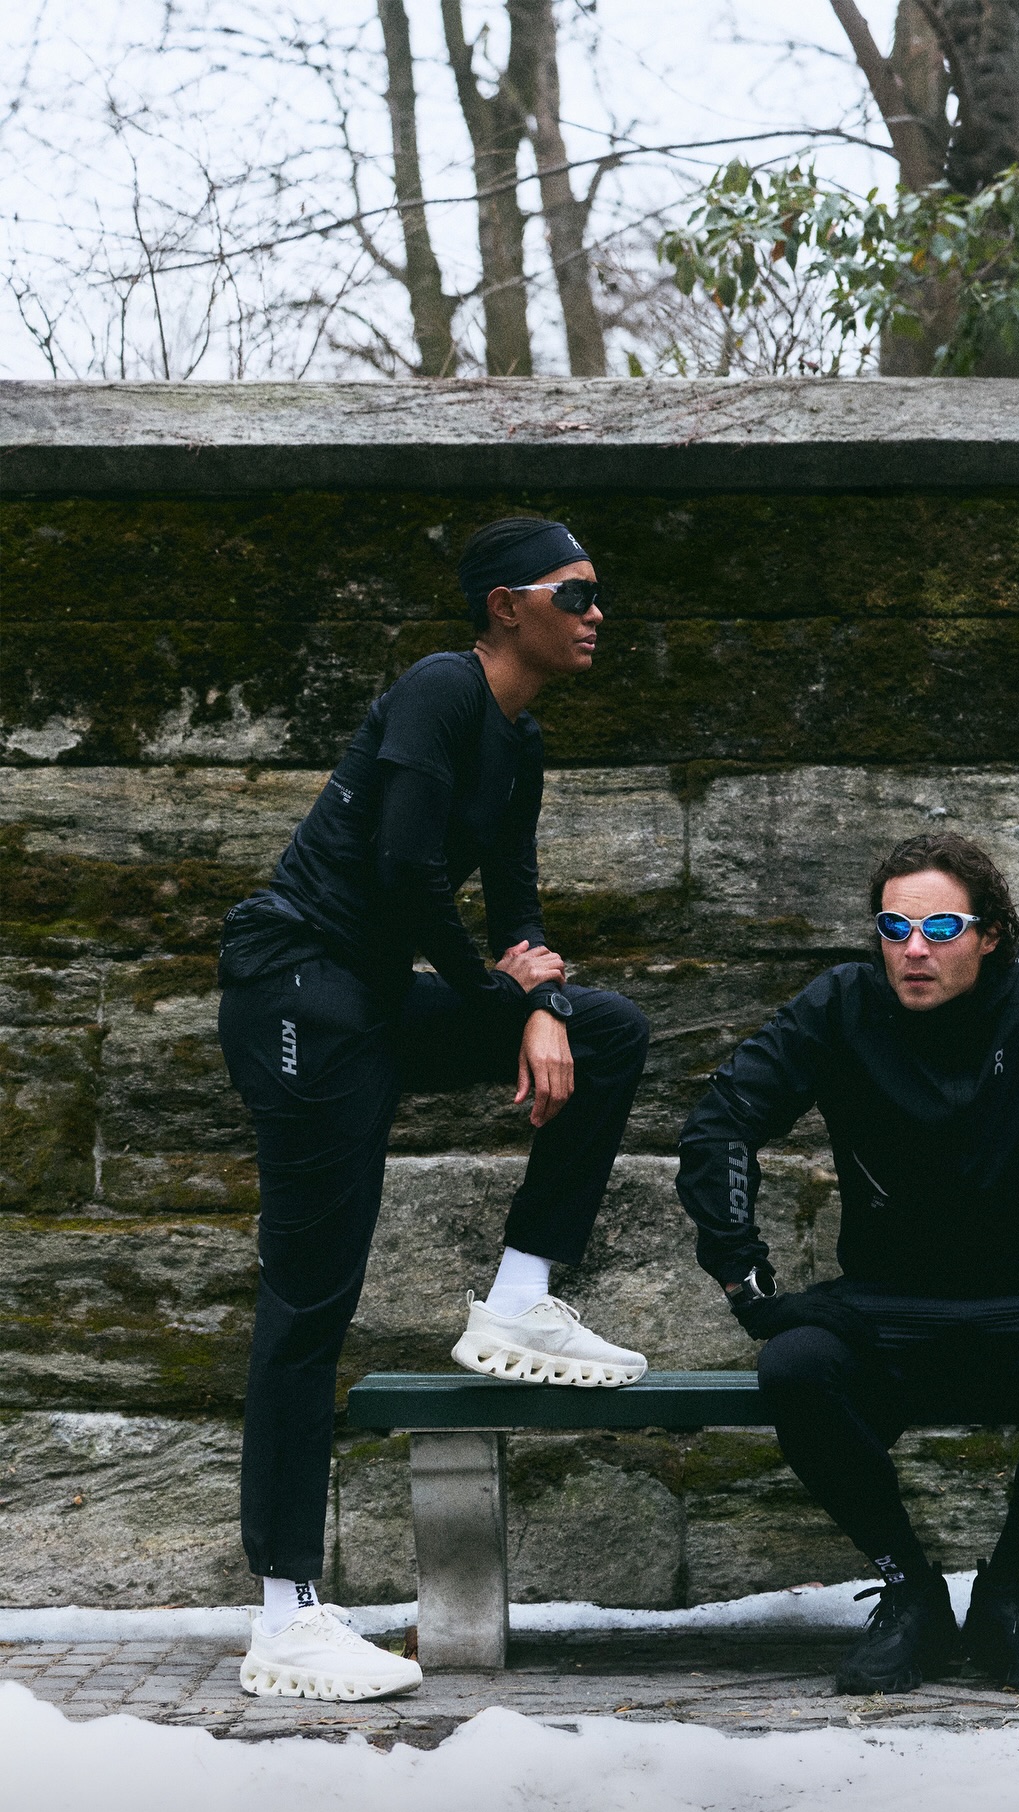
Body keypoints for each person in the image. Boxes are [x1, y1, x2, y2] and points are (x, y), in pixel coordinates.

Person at [218, 516, 650, 1702]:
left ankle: (517, 1301)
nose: (597, 613)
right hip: (296, 987)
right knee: (312, 1296)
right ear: (508, 606)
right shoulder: (441, 689)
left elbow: (516, 911)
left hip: (372, 995)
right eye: (576, 593)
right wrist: (500, 999)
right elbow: (406, 871)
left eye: (598, 594)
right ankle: (285, 1615)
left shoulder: (521, 742)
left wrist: (542, 1001)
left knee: (608, 1030)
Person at [676, 833, 1019, 1698]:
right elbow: (721, 1124)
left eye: (940, 928)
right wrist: (750, 1285)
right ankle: (911, 1593)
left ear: (990, 934)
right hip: (883, 1310)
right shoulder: (840, 1003)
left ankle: (1008, 1593)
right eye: (894, 928)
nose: (913, 950)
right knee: (795, 1366)